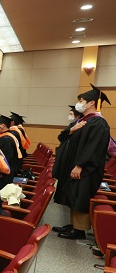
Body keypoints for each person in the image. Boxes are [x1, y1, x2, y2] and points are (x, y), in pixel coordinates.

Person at [53, 84, 111, 239]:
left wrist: (80, 165)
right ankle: (73, 225)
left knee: (80, 197)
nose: (79, 103)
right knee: (72, 195)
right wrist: (72, 129)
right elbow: (65, 138)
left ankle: (79, 230)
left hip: (84, 170)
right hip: (75, 166)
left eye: (82, 100)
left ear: (91, 103)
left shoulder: (99, 123)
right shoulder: (84, 121)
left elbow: (94, 148)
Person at [0, 114, 21, 189]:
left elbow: (5, 158)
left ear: (3, 125)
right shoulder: (7, 136)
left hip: (5, 174)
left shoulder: (6, 140)